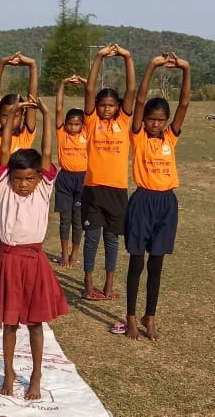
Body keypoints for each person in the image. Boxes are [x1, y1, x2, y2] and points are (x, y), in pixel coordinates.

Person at [0, 96, 68, 400]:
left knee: (34, 324)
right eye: (18, 179)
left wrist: (45, 113)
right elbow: (5, 149)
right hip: (8, 259)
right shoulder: (4, 184)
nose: (23, 184)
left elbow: (46, 152)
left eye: (29, 179)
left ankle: (36, 376)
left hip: (33, 261)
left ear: (39, 178)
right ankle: (8, 373)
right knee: (9, 324)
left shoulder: (44, 188)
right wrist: (12, 116)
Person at [124, 53, 190, 342]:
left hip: (166, 204)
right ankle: (130, 317)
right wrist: (151, 66)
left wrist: (185, 69)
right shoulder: (138, 137)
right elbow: (139, 101)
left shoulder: (170, 137)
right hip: (142, 201)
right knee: (137, 262)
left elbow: (184, 104)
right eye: (151, 119)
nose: (155, 124)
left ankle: (149, 317)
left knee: (157, 264)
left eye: (160, 120)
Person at [81, 44, 137, 300]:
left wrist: (127, 57)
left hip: (117, 190)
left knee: (112, 240)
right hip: (93, 188)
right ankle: (88, 283)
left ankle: (109, 285)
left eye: (111, 105)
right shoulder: (92, 121)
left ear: (118, 107)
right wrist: (99, 56)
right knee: (92, 239)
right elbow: (89, 88)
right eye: (102, 105)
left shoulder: (123, 121)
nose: (106, 108)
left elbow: (132, 90)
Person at [0, 51, 38, 269]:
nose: (10, 119)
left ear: (22, 116)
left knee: (18, 247)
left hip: (20, 195)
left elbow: (32, 100)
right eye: (5, 115)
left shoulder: (26, 135)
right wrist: (2, 64)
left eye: (15, 114)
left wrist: (32, 66)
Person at [54, 75, 88, 269]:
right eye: (70, 124)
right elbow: (59, 108)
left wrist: (86, 85)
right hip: (65, 179)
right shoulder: (62, 133)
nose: (73, 127)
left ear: (83, 125)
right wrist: (63, 84)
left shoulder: (87, 133)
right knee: (64, 219)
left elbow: (90, 106)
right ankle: (64, 254)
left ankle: (75, 253)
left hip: (83, 179)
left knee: (78, 218)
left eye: (77, 124)